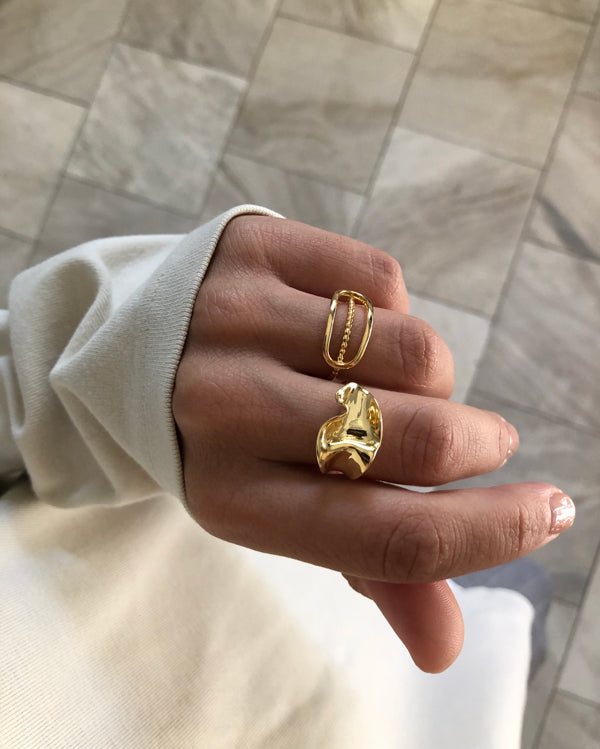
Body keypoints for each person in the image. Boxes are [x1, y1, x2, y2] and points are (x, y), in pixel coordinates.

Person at [0, 205, 575, 747]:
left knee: (509, 605)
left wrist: (140, 349)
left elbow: (20, 394)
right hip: (418, 711)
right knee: (515, 601)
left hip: (281, 577)